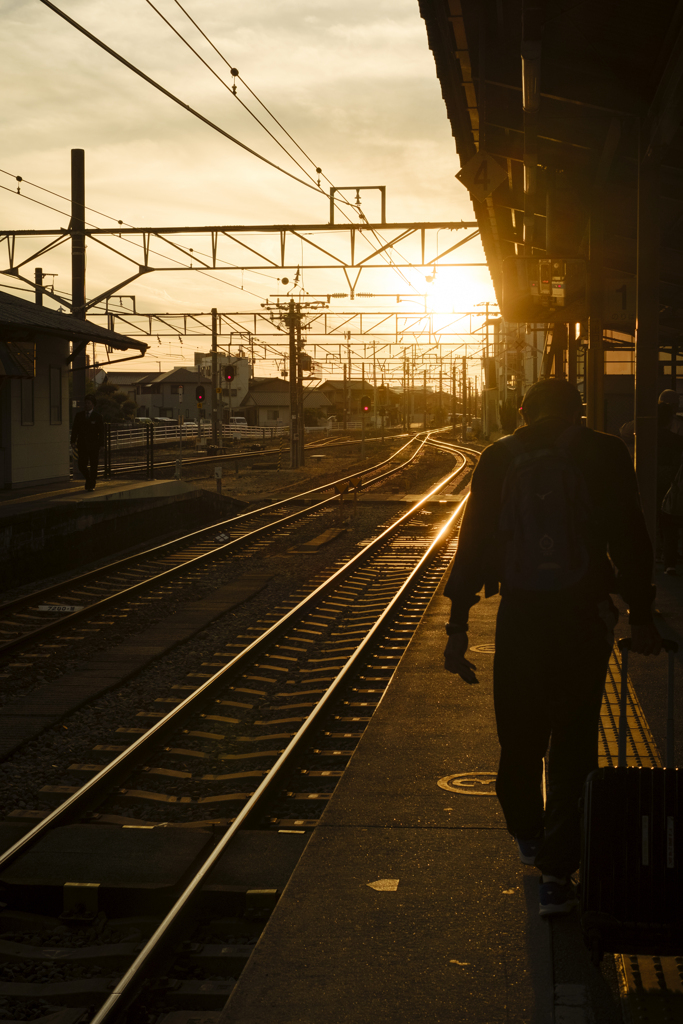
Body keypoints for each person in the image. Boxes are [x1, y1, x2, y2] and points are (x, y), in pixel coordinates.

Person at [443, 378, 661, 916]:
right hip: (583, 618)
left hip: (520, 615)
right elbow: (631, 537)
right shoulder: (605, 451)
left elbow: (473, 542)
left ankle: (529, 834)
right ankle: (557, 877)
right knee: (574, 742)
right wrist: (643, 615)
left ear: (523, 412)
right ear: (578, 413)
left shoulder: (499, 456)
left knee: (519, 739)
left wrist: (457, 627)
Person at [70, 395, 105, 491]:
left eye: (88, 403)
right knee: (81, 465)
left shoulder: (98, 417)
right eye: (85, 403)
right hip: (82, 444)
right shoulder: (79, 416)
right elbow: (75, 430)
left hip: (94, 445)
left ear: (93, 405)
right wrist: (73, 441)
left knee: (94, 465)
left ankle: (91, 484)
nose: (86, 405)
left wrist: (102, 444)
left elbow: (101, 431)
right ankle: (89, 479)